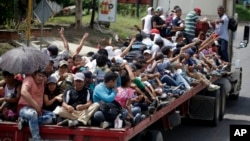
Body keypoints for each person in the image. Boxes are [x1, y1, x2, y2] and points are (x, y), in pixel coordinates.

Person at [17, 69, 56, 140]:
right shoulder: (29, 79)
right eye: (39, 75)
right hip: (24, 108)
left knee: (53, 117)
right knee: (33, 114)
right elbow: (23, 92)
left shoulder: (42, 82)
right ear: (34, 75)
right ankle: (36, 139)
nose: (41, 78)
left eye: (42, 76)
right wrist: (36, 106)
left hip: (37, 110)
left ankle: (25, 122)